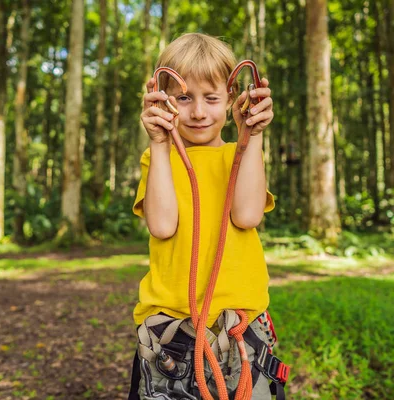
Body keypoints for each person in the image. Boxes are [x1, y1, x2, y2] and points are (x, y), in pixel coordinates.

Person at [129, 33, 287, 399]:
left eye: (211, 98)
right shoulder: (158, 159)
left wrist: (254, 136)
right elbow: (163, 225)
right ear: (164, 101)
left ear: (232, 99)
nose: (198, 112)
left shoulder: (240, 154)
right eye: (184, 98)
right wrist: (158, 143)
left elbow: (247, 215)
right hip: (171, 330)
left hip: (240, 325)